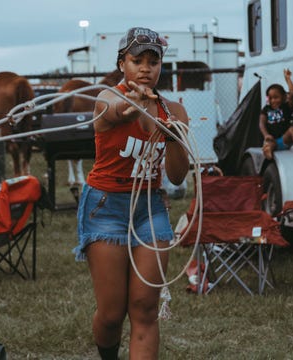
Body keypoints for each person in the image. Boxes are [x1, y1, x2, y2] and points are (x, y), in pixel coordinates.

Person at [74, 27, 189, 359]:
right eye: (137, 60)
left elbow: (178, 176)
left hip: (149, 208)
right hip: (106, 206)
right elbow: (111, 111)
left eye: (153, 61)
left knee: (145, 307)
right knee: (111, 314)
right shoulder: (109, 97)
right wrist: (130, 107)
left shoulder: (174, 112)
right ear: (122, 63)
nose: (145, 68)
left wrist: (171, 135)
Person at [259, 68, 293, 160]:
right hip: (272, 140)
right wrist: (266, 135)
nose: (273, 100)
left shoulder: (285, 107)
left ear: (284, 97)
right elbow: (261, 123)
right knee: (269, 144)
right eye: (270, 98)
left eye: (276, 97)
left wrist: (288, 79)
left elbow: (292, 93)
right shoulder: (266, 109)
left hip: (284, 139)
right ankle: (268, 151)